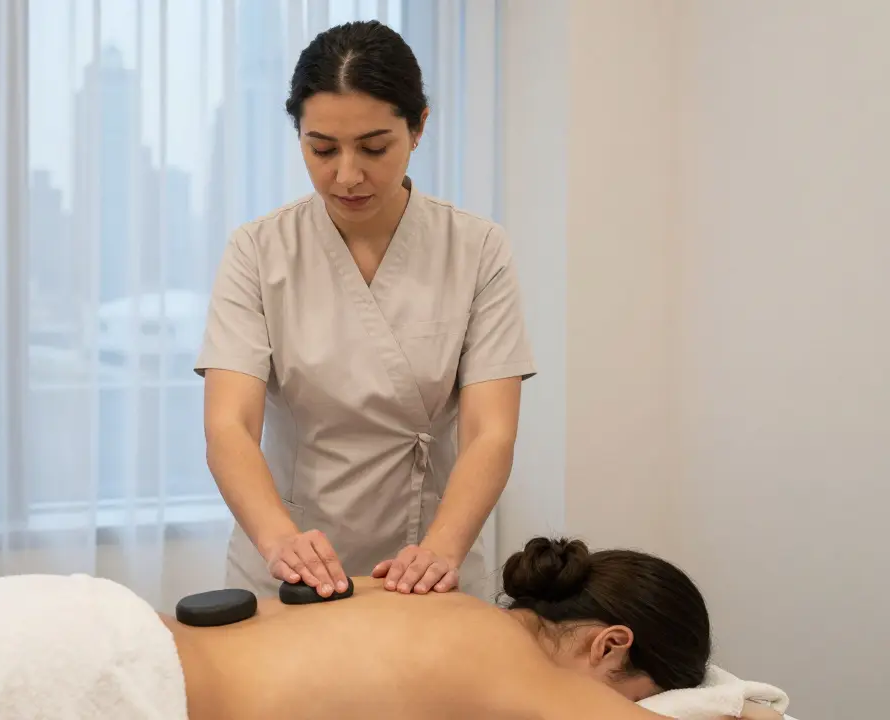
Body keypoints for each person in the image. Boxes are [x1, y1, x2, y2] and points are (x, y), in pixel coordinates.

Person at [196, 18, 537, 599]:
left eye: (374, 148)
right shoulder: (259, 250)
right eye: (322, 149)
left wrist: (441, 550)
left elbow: (490, 431)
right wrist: (281, 540)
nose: (347, 175)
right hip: (289, 562)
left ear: (418, 127)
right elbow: (230, 424)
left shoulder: (477, 248)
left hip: (430, 559)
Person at [164, 537, 786, 720]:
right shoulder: (515, 668)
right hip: (131, 690)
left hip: (121, 629)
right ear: (611, 644)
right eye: (640, 696)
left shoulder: (417, 591)